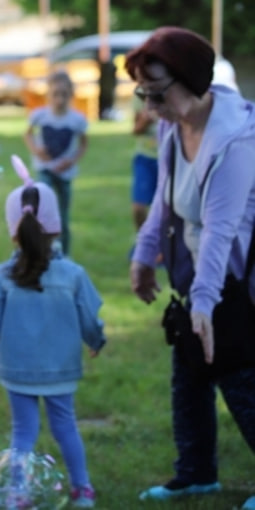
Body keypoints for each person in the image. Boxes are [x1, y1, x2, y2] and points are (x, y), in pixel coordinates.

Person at [126, 27, 255, 508]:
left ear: (194, 82)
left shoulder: (237, 142)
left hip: (235, 282)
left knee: (239, 377)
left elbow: (221, 229)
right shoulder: (172, 126)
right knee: (190, 377)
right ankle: (196, 473)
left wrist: (205, 303)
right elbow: (164, 203)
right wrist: (143, 256)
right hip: (199, 275)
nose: (148, 108)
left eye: (156, 94)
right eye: (142, 94)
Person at [0, 156, 106, 508]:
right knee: (66, 426)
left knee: (23, 432)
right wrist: (96, 341)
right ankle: (83, 490)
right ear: (57, 227)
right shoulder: (73, 275)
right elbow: (91, 318)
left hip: (17, 368)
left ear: (12, 229)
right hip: (61, 368)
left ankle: (18, 495)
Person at [23, 70, 88, 256]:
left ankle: (64, 254)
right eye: (55, 94)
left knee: (63, 216)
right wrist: (36, 150)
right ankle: (42, 250)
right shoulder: (39, 115)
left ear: (71, 94)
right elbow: (27, 134)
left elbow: (84, 143)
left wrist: (72, 160)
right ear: (48, 95)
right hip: (45, 169)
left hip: (65, 173)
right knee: (42, 210)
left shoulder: (77, 119)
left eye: (64, 94)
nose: (60, 99)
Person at [129, 95, 159, 258]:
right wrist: (145, 120)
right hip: (145, 158)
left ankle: (161, 246)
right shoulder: (140, 97)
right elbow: (135, 130)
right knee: (139, 207)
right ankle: (142, 242)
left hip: (167, 158)